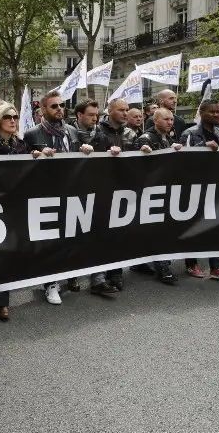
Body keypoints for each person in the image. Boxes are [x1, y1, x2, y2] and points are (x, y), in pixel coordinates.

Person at [0, 103, 42, 319]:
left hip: (14, 207)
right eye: (8, 117)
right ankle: (1, 303)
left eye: (15, 117)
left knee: (6, 252)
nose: (13, 120)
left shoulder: (22, 145)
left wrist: (41, 156)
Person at [24, 90, 93, 301]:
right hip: (46, 194)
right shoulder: (32, 134)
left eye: (61, 105)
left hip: (71, 192)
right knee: (50, 240)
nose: (59, 109)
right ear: (43, 110)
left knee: (70, 236)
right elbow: (21, 167)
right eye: (54, 106)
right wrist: (34, 157)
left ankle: (69, 273)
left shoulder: (72, 131)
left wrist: (86, 151)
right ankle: (50, 283)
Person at [179, 99, 219, 282]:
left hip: (217, 186)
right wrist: (202, 147)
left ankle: (217, 267)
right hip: (194, 187)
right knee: (194, 227)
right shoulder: (189, 133)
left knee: (217, 225)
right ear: (201, 112)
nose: (216, 115)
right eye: (212, 112)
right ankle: (191, 263)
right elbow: (179, 160)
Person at [88, 98, 137, 294]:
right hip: (100, 188)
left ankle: (115, 273)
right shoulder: (98, 132)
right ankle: (98, 279)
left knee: (119, 232)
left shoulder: (131, 133)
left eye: (127, 110)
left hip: (123, 189)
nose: (126, 113)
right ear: (109, 110)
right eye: (121, 110)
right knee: (100, 235)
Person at [135, 108, 183, 284]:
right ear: (155, 120)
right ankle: (162, 267)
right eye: (166, 119)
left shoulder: (169, 138)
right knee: (158, 231)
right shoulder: (145, 139)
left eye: (171, 119)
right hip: (151, 193)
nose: (170, 122)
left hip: (164, 191)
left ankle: (140, 262)